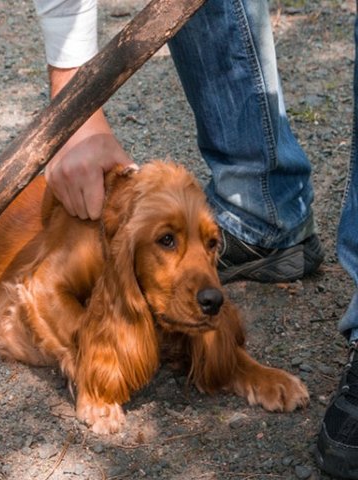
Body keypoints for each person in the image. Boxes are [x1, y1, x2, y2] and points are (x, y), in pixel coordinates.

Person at [34, 1, 358, 477]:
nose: (207, 274)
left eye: (213, 243)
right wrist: (74, 106)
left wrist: (241, 366)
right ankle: (258, 210)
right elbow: (41, 291)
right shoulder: (107, 246)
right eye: (167, 241)